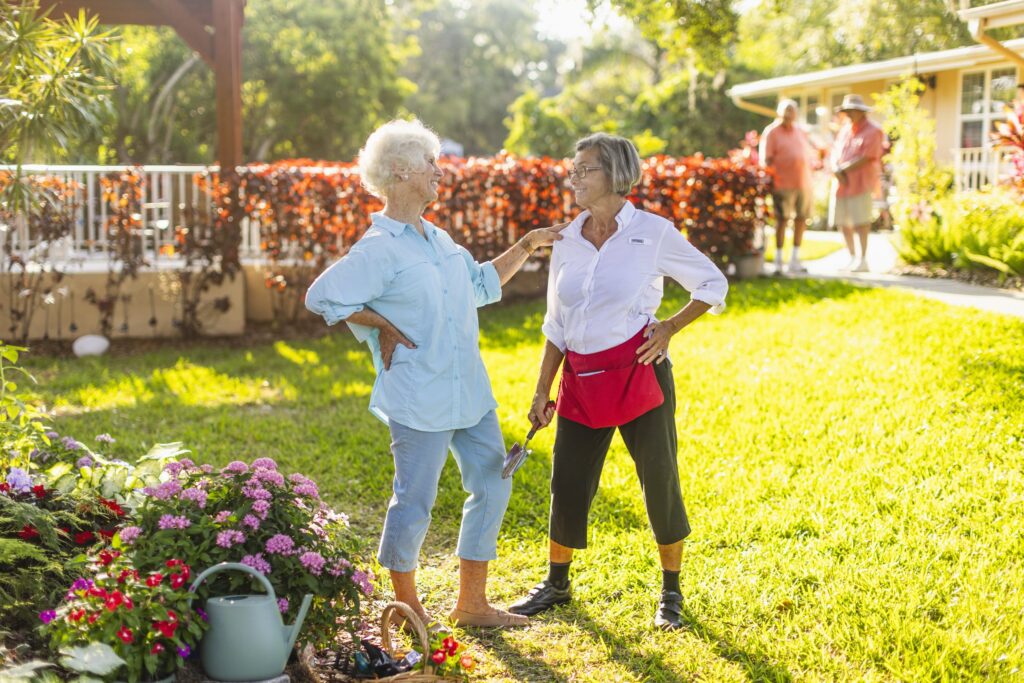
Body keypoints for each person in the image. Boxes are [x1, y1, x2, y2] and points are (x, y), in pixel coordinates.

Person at [305, 119, 564, 629]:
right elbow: (322, 297)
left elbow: (481, 285)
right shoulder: (380, 247)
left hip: (469, 391)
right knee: (415, 501)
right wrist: (379, 322)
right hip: (418, 394)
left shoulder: (438, 239)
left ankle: (472, 606)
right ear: (399, 170)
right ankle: (408, 610)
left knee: (492, 483)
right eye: (429, 162)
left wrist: (529, 244)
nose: (438, 172)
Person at [508, 133, 728, 631]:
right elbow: (556, 322)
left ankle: (671, 592)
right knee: (567, 481)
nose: (573, 178)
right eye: (573, 169)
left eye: (583, 169)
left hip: (638, 375)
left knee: (659, 480)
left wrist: (669, 327)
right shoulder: (566, 239)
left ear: (615, 174)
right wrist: (543, 388)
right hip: (581, 378)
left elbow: (712, 283)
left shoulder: (652, 232)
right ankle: (556, 584)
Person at [828, 94, 886, 272]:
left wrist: (843, 169)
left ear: (861, 111)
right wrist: (836, 168)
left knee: (861, 221)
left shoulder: (873, 131)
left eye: (852, 110)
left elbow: (868, 156)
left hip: (861, 183)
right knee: (842, 221)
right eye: (847, 111)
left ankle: (863, 259)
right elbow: (835, 152)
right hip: (841, 184)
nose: (848, 114)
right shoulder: (845, 130)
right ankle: (852, 257)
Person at [759, 98, 816, 275]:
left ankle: (795, 260)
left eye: (792, 110)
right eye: (786, 110)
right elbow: (766, 160)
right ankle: (778, 261)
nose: (789, 114)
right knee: (782, 220)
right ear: (779, 112)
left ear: (796, 113)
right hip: (782, 184)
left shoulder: (801, 131)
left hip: (803, 183)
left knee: (801, 219)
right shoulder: (772, 132)